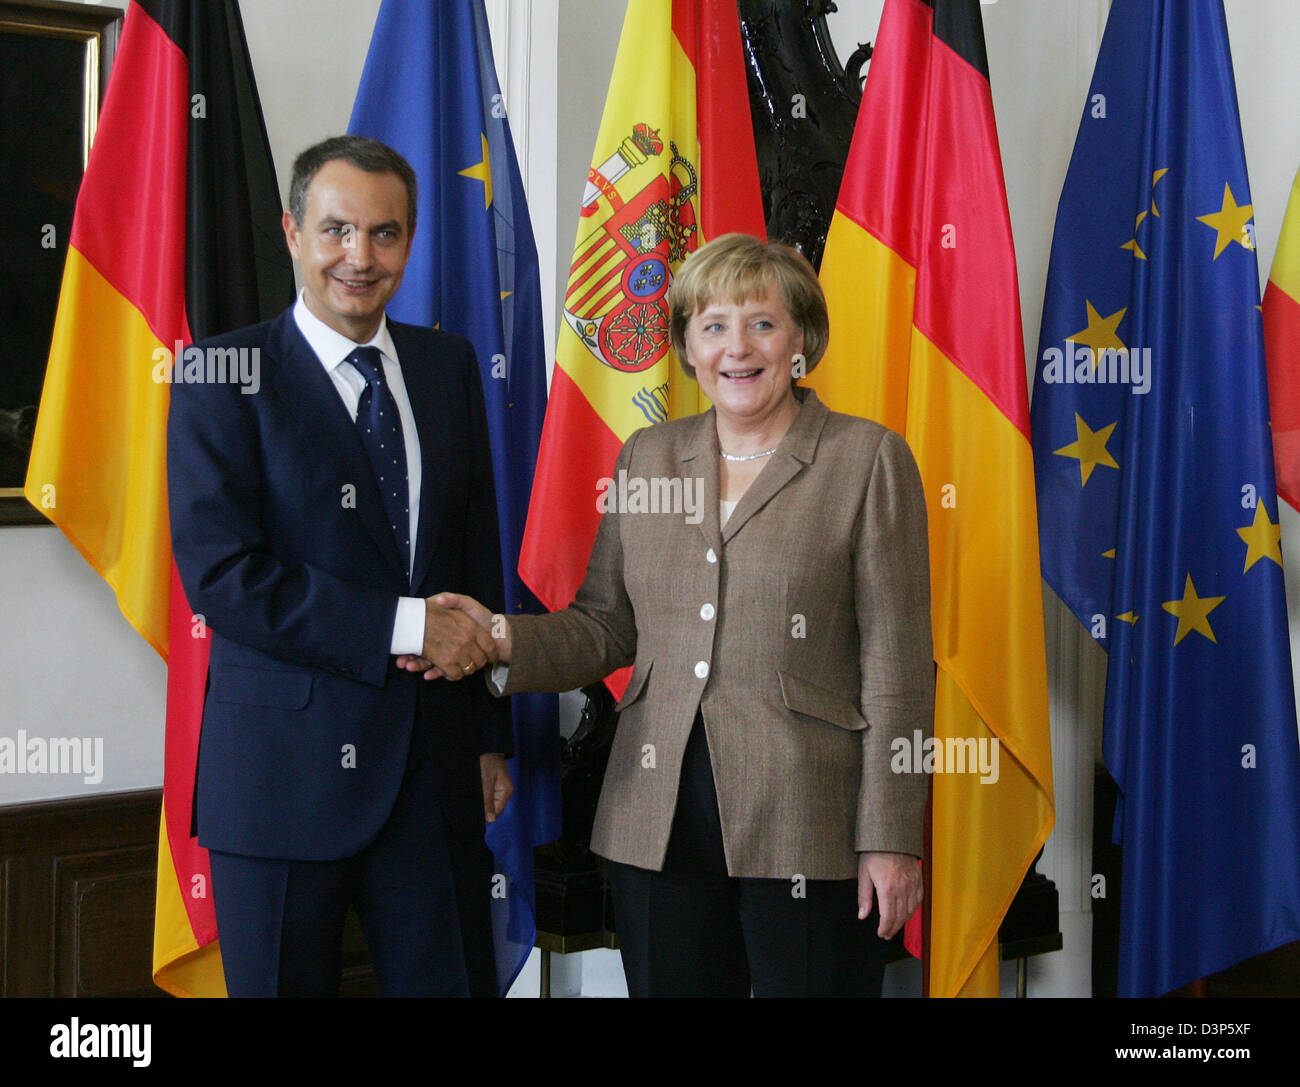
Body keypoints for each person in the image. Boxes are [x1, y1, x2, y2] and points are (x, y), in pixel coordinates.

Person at [408, 233, 934, 997]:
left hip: (812, 826)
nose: (737, 347)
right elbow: (604, 625)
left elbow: (898, 669)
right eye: (713, 325)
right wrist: (494, 638)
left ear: (801, 341)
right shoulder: (647, 457)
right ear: (687, 344)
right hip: (656, 822)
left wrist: (891, 839)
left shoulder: (867, 459)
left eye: (762, 322)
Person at [167, 135, 512, 997]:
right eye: (336, 231)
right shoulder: (221, 374)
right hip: (282, 778)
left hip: (436, 773)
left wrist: (489, 735)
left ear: (411, 239)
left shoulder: (447, 365)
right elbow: (224, 575)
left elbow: (475, 552)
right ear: (292, 231)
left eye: (385, 234)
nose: (360, 258)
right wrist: (405, 624)